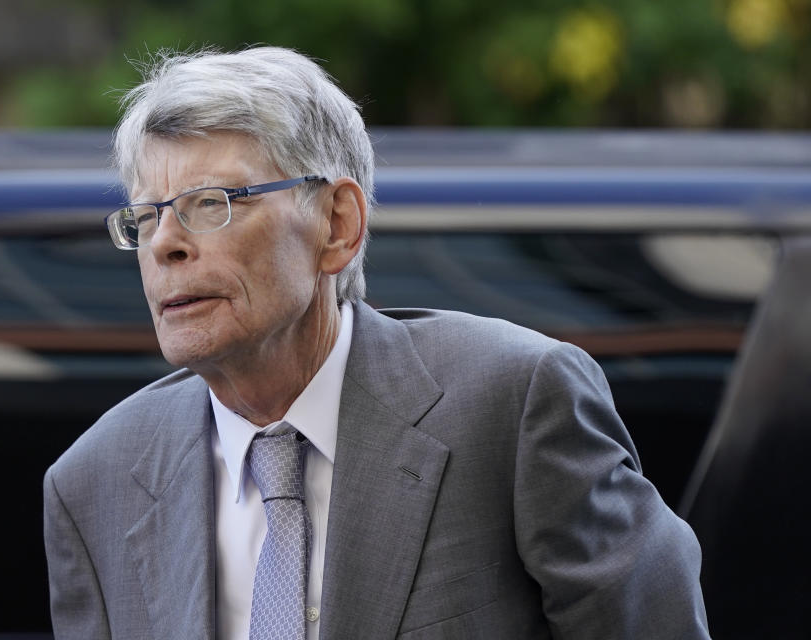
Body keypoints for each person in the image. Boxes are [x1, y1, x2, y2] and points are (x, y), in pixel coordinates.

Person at [43, 46, 710, 640]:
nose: (164, 243)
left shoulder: (512, 403)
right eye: (146, 215)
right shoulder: (95, 481)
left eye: (212, 201)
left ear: (337, 225)